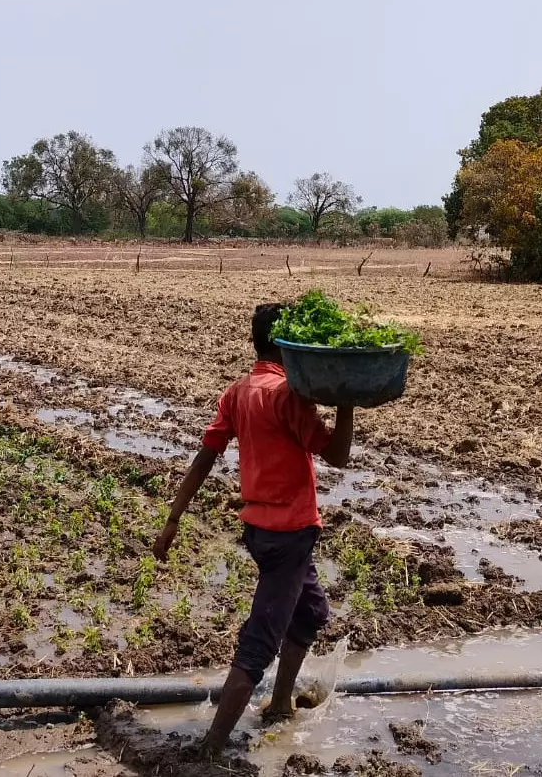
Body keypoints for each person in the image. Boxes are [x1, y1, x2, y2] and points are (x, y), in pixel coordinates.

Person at [152, 302, 354, 757]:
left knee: (310, 614)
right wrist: (345, 404)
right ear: (288, 345)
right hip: (289, 537)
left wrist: (173, 518)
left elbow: (205, 457)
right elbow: (338, 456)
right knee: (258, 645)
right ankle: (209, 751)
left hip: (262, 534)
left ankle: (281, 704)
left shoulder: (238, 392)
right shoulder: (289, 396)